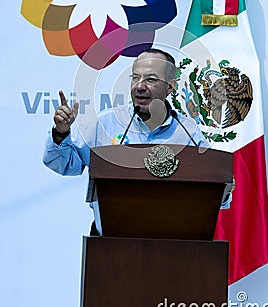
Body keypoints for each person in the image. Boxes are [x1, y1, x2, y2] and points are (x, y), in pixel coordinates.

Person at [43, 48, 231, 233]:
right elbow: (64, 164)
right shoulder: (105, 124)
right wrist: (61, 133)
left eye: (150, 79)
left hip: (174, 247)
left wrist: (225, 188)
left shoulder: (187, 132)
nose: (139, 86)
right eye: (135, 77)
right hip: (110, 245)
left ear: (170, 87)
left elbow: (215, 193)